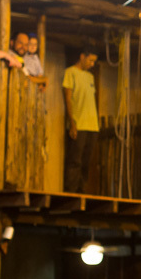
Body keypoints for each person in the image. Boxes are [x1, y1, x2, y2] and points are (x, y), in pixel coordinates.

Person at [62, 46, 99, 193]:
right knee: (75, 160)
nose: (92, 64)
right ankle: (71, 191)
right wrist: (72, 123)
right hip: (78, 123)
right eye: (90, 60)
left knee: (86, 161)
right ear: (82, 56)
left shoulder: (90, 77)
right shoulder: (70, 72)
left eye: (94, 61)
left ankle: (81, 191)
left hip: (92, 125)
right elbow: (68, 99)